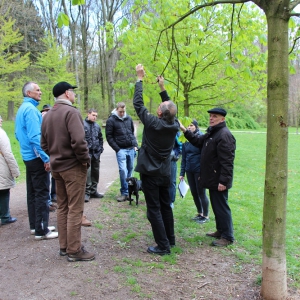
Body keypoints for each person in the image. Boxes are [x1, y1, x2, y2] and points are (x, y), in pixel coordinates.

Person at [41, 81, 95, 261]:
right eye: (72, 91)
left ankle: (64, 247)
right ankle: (74, 250)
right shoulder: (71, 112)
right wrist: (85, 160)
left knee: (63, 207)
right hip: (73, 168)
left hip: (57, 168)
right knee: (75, 209)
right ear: (66, 93)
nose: (74, 94)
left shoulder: (47, 115)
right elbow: (79, 142)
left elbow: (44, 145)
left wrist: (56, 155)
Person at [133, 64, 180, 256]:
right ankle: (170, 239)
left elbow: (138, 104)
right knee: (165, 205)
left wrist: (139, 79)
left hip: (151, 173)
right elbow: (169, 107)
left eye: (160, 108)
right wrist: (162, 88)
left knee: (153, 209)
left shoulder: (153, 123)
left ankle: (163, 246)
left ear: (160, 113)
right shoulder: (175, 124)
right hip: (164, 171)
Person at [179, 107, 236, 247]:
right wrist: (184, 130)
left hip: (219, 180)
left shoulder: (224, 135)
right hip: (212, 178)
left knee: (222, 206)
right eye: (210, 116)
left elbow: (227, 162)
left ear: (222, 119)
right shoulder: (213, 132)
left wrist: (224, 181)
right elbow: (198, 141)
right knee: (216, 206)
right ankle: (221, 230)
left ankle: (227, 236)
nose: (211, 118)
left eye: (215, 116)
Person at [15, 82, 58, 239]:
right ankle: (42, 230)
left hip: (28, 157)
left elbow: (17, 134)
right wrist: (46, 158)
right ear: (28, 93)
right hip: (36, 157)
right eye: (37, 90)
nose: (40, 92)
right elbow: (35, 137)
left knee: (32, 192)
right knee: (41, 193)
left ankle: (35, 225)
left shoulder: (22, 109)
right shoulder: (31, 110)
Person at [105, 102, 138, 202]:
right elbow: (109, 137)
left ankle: (129, 192)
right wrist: (117, 149)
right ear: (116, 110)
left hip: (131, 148)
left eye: (124, 111)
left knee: (130, 170)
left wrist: (135, 145)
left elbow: (132, 133)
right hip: (121, 150)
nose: (122, 113)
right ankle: (124, 192)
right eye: (120, 111)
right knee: (123, 171)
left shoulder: (129, 118)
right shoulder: (111, 120)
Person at [179, 120, 209, 223]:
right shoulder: (185, 139)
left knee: (201, 192)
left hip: (199, 170)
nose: (189, 127)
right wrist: (182, 173)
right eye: (187, 126)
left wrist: (203, 172)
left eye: (191, 125)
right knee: (194, 192)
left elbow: (205, 157)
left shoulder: (201, 138)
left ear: (196, 126)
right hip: (189, 170)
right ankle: (200, 213)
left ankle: (206, 215)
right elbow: (184, 157)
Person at [0, 115, 20, 225]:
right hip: (1, 165)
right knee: (3, 191)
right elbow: (7, 153)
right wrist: (15, 170)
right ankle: (5, 216)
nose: (1, 119)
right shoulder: (1, 133)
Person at [84, 108, 104, 202]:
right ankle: (86, 193)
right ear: (88, 114)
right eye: (93, 115)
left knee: (95, 172)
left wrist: (100, 149)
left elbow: (100, 138)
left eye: (96, 115)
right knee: (87, 174)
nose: (94, 117)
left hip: (96, 153)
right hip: (87, 153)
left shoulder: (97, 126)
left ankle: (93, 191)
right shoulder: (82, 125)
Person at [41, 104, 57, 212]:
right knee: (45, 179)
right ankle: (46, 201)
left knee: (54, 177)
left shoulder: (53, 123)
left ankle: (53, 196)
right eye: (45, 111)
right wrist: (46, 157)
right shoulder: (40, 122)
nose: (46, 113)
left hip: (53, 154)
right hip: (43, 155)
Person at [169, 131, 182, 209]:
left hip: (171, 160)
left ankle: (171, 201)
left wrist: (176, 155)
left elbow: (180, 144)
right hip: (159, 160)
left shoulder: (175, 130)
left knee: (171, 181)